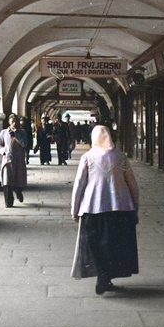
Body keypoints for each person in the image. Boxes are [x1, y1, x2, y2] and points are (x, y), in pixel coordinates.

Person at [71, 125, 139, 295]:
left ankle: (103, 276)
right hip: (120, 208)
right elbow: (132, 183)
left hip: (93, 208)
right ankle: (105, 278)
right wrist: (135, 206)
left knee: (95, 245)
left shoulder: (87, 157)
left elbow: (79, 184)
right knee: (114, 245)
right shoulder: (120, 157)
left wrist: (75, 209)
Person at [0, 114, 28, 207]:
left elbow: (24, 144)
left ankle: (18, 192)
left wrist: (16, 135)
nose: (14, 124)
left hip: (18, 160)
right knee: (7, 181)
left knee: (18, 180)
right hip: (7, 160)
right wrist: (3, 152)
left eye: (16, 122)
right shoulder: (3, 132)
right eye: (12, 122)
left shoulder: (22, 132)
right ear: (9, 122)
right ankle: (8, 202)